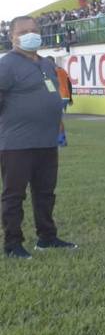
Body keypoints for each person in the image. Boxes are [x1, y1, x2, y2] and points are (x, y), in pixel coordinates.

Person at [0, 16, 76, 258]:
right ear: (12, 36)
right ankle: (13, 244)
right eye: (23, 32)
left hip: (46, 140)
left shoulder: (46, 64)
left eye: (34, 30)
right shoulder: (6, 65)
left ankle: (47, 237)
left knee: (45, 193)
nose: (30, 35)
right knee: (14, 195)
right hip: (16, 143)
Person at [55, 59, 71, 146]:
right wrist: (70, 97)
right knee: (58, 118)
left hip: (59, 96)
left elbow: (50, 85)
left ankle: (61, 140)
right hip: (66, 95)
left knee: (56, 119)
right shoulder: (63, 71)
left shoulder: (53, 71)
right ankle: (62, 139)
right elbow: (69, 83)